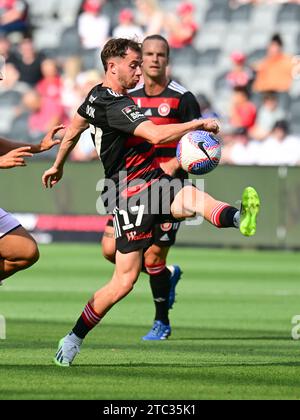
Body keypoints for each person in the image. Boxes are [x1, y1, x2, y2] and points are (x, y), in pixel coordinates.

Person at [41, 38, 260, 367]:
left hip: (154, 180)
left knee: (193, 198)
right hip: (129, 193)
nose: (139, 69)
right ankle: (73, 337)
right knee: (123, 281)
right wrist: (199, 124)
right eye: (133, 64)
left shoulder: (97, 96)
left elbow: (73, 129)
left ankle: (238, 218)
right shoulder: (115, 104)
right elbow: (156, 136)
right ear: (112, 66)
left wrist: (58, 164)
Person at [101, 35, 201, 340]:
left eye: (161, 54)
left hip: (167, 189)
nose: (154, 59)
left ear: (167, 59)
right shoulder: (127, 98)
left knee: (153, 258)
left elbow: (202, 144)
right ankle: (168, 277)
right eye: (149, 54)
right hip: (130, 187)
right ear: (140, 60)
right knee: (109, 250)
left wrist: (177, 163)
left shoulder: (183, 98)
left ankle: (162, 323)